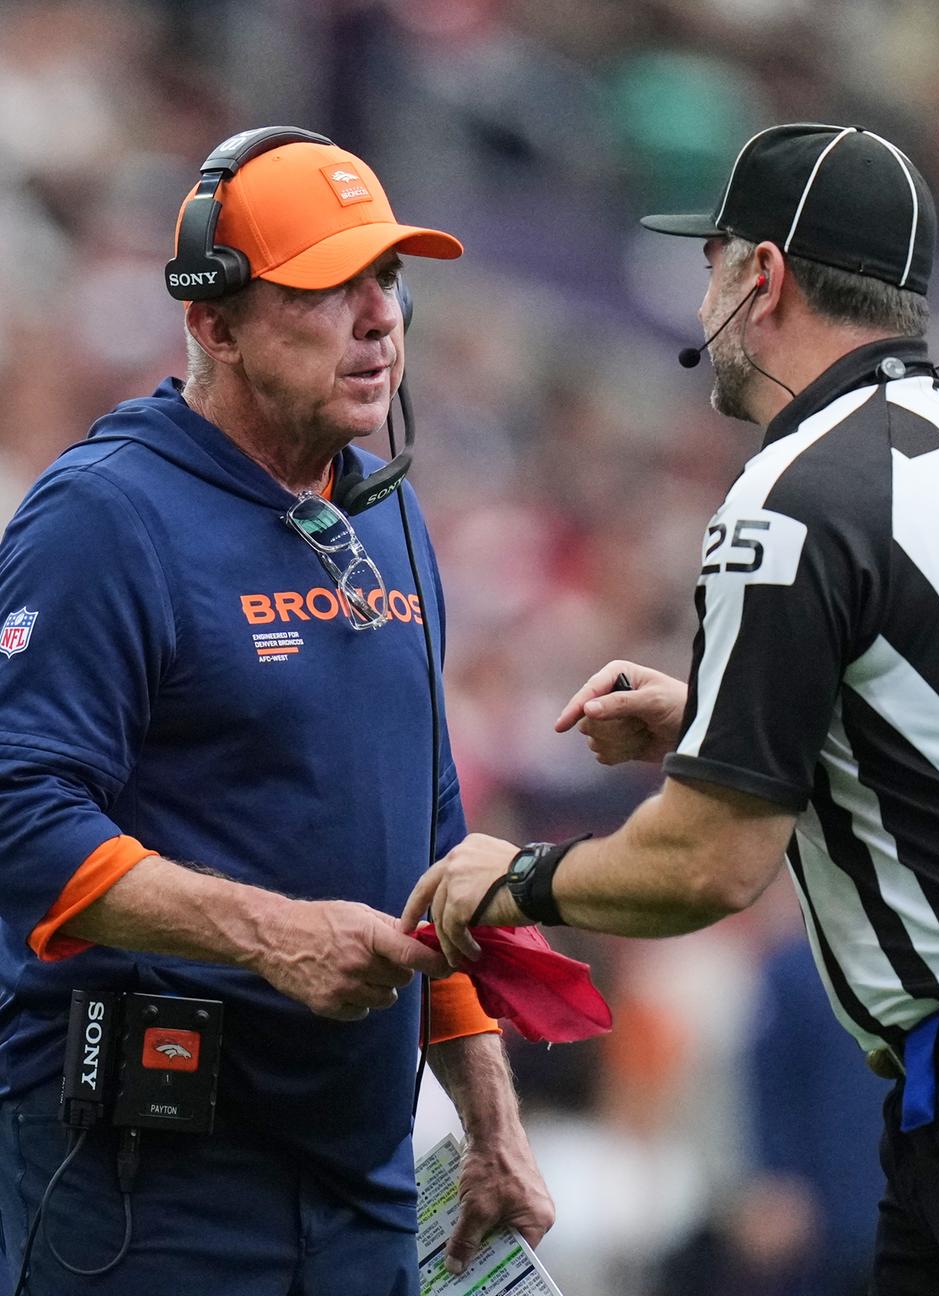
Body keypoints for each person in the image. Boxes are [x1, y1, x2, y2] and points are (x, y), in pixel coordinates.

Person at [404, 122, 939, 1295]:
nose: (703, 296)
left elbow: (706, 866)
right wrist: (724, 710)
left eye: (712, 261)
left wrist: (512, 877)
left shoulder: (797, 488)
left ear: (764, 276)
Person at [0, 127, 552, 1296]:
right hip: (146, 1182)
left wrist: (489, 1116)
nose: (380, 318)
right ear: (214, 322)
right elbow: (18, 819)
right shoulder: (104, 518)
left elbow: (431, 839)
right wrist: (271, 933)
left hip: (360, 1184)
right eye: (325, 287)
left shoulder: (389, 517)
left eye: (389, 278)